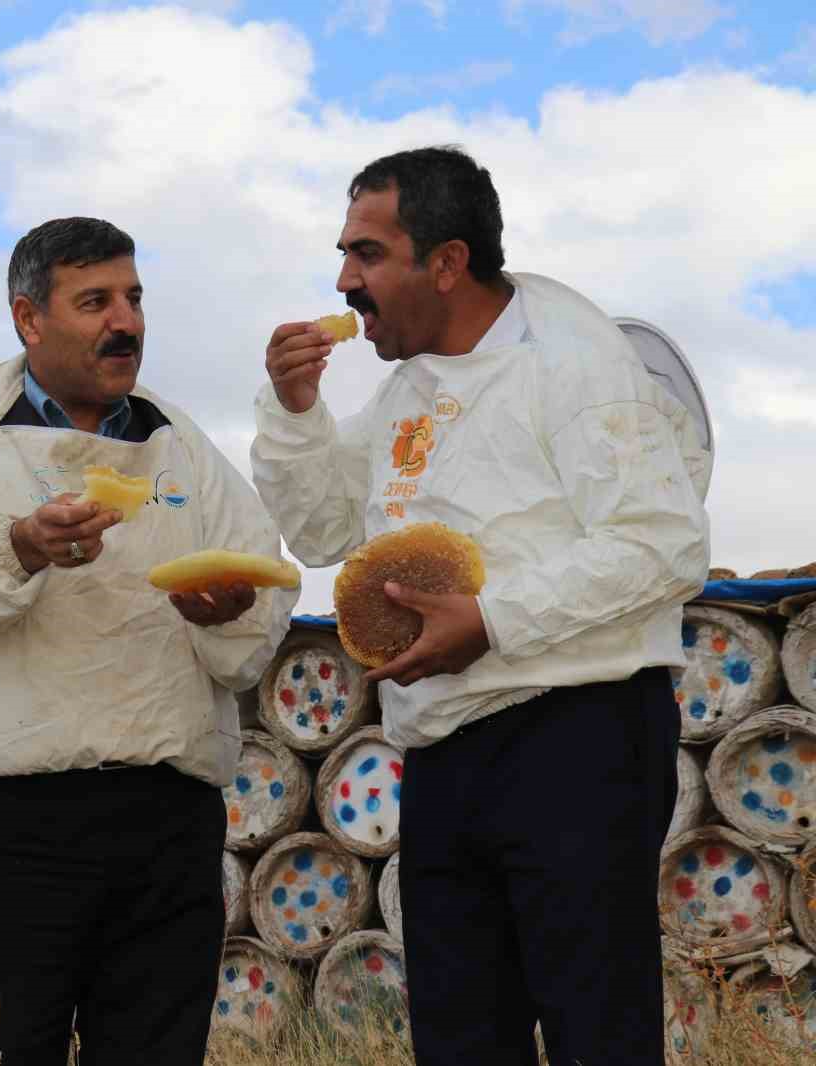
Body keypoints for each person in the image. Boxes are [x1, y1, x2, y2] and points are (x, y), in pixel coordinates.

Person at [250, 146, 710, 1065]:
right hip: (441, 748)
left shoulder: (575, 361)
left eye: (368, 254)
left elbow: (662, 543)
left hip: (576, 739)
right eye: (345, 254)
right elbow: (328, 532)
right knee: (461, 1038)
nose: (344, 281)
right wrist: (296, 412)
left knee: (596, 1033)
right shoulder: (406, 391)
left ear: (448, 262)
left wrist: (492, 622)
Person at [0, 216, 297, 1066]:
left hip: (170, 822)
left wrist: (227, 612)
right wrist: (17, 548)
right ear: (28, 319)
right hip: (19, 824)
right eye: (94, 301)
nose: (124, 322)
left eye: (133, 299)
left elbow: (261, 592)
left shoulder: (182, 445)